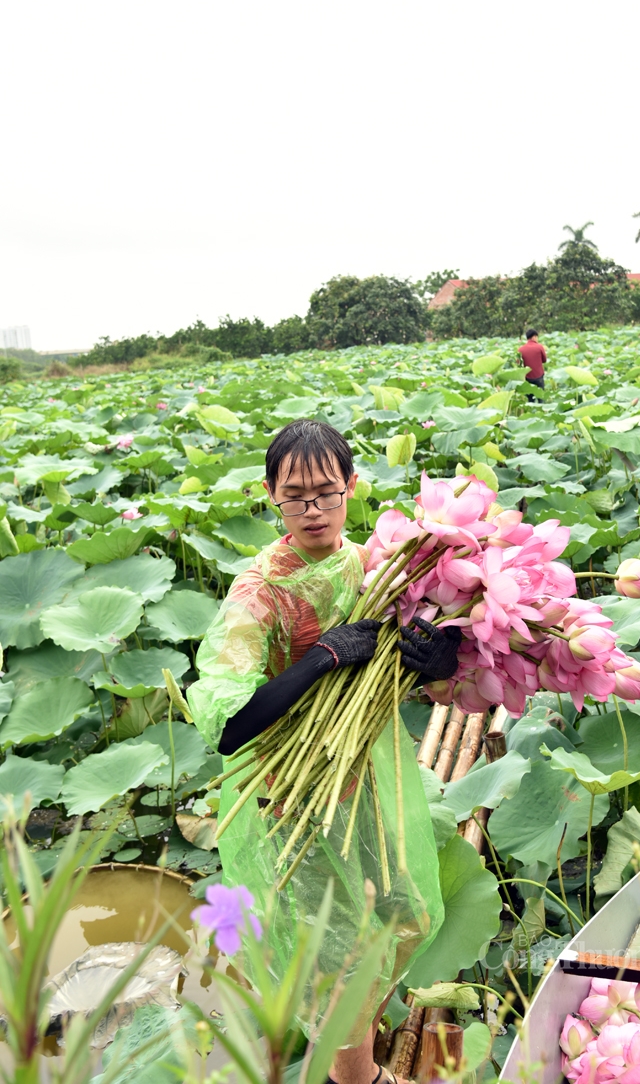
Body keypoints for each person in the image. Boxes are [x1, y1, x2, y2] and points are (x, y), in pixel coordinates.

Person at [188, 419, 459, 1084]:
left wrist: (436, 660)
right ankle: (355, 1077)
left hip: (367, 774)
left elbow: (438, 686)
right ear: (269, 496)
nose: (312, 511)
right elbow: (225, 723)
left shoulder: (378, 566)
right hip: (291, 793)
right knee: (335, 950)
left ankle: (354, 1047)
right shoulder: (258, 591)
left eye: (326, 494)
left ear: (351, 488)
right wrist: (315, 662)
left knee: (402, 913)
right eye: (295, 497)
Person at [518, 328, 547, 401]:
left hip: (527, 377)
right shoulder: (539, 347)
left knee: (530, 400)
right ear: (534, 337)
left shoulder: (521, 349)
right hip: (539, 376)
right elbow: (544, 360)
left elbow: (519, 363)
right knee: (541, 398)